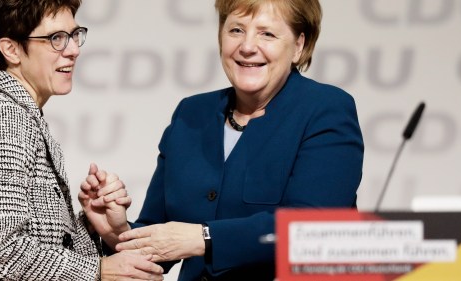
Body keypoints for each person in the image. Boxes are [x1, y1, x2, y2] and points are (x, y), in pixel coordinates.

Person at [81, 0, 364, 280]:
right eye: (236, 30)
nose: (247, 46)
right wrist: (115, 231)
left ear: (299, 45)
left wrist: (202, 238)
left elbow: (311, 229)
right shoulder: (191, 114)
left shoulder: (325, 109)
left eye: (267, 33)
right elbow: (161, 237)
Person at [0, 0, 164, 280]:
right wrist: (98, 270)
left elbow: (41, 245)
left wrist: (92, 226)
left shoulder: (21, 113)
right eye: (56, 38)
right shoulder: (2, 117)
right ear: (11, 49)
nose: (74, 50)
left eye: (74, 35)